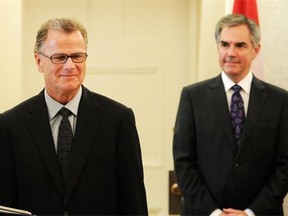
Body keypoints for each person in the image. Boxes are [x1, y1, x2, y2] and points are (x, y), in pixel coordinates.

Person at [0, 17, 148, 215]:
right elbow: (6, 205)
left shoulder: (118, 119)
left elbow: (134, 201)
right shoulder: (10, 125)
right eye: (59, 57)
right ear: (38, 61)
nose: (70, 66)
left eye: (77, 56)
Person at [173, 14, 288, 216]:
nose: (230, 52)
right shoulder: (192, 97)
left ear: (256, 50)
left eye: (240, 45)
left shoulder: (280, 100)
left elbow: (285, 166)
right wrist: (215, 213)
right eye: (225, 44)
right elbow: (184, 162)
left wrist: (251, 213)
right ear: (218, 47)